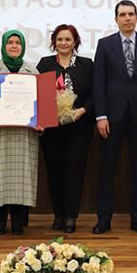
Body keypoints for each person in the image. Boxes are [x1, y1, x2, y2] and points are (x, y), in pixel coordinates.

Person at [92, 0, 137, 235]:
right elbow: (98, 83)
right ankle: (104, 219)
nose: (127, 18)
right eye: (123, 14)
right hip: (112, 117)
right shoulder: (105, 45)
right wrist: (101, 116)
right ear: (116, 19)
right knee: (107, 169)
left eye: (131, 14)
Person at [37, 24, 94, 234]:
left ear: (75, 42)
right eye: (60, 39)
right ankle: (58, 214)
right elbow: (36, 93)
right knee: (55, 171)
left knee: (74, 171)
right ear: (54, 42)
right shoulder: (44, 64)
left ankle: (71, 216)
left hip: (78, 127)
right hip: (52, 128)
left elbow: (95, 94)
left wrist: (82, 110)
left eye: (68, 39)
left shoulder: (87, 64)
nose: (63, 43)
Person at [0, 30, 40, 235]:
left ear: (23, 46)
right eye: (10, 42)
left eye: (18, 43)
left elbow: (40, 107)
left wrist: (39, 123)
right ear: (4, 46)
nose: (14, 46)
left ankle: (18, 225)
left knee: (21, 181)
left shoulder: (32, 72)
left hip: (25, 136)